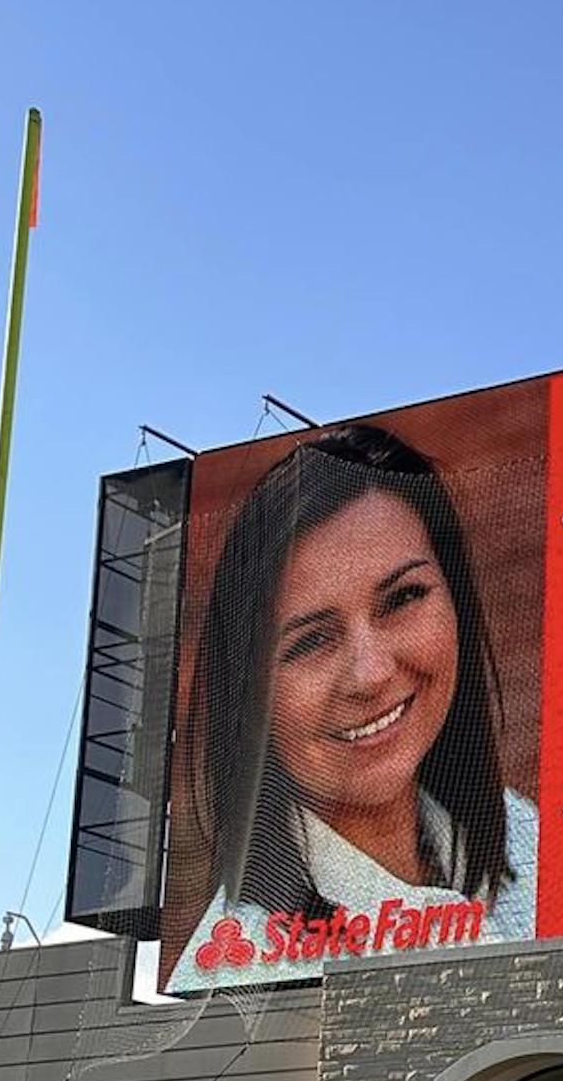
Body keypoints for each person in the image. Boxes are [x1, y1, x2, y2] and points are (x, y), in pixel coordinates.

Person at [167, 421, 537, 992]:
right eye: (310, 641)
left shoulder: (524, 833)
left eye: (404, 597)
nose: (370, 674)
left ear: (455, 597)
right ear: (251, 695)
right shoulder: (241, 966)